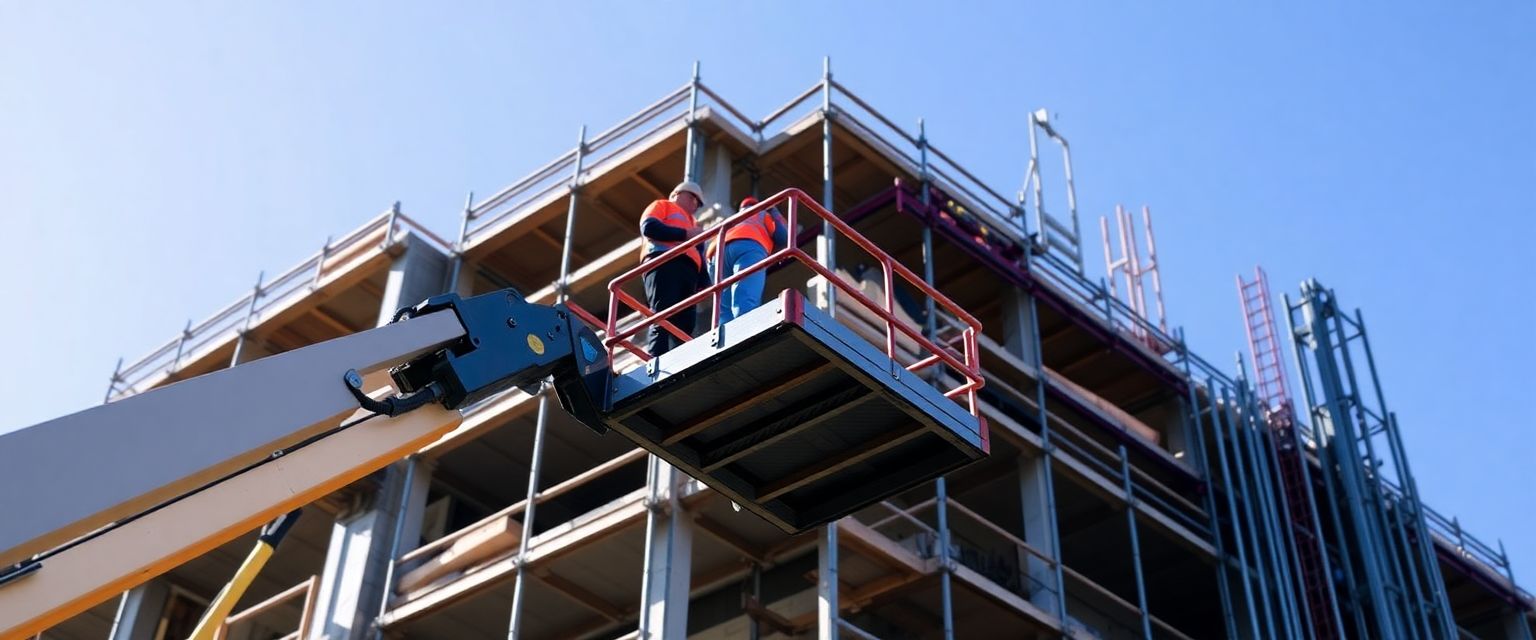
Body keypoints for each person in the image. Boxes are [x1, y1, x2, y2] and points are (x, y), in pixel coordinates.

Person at [639, 181, 707, 356]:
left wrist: (704, 281)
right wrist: (685, 234)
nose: (695, 204)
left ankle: (682, 359)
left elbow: (699, 251)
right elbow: (649, 227)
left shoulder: (693, 223)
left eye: (698, 203)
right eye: (692, 197)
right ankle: (655, 359)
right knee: (662, 315)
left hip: (688, 271)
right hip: (663, 261)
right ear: (677, 194)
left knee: (686, 323)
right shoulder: (662, 205)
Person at [707, 196, 789, 324]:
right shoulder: (761, 214)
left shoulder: (732, 219)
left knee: (724, 308)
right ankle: (745, 327)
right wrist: (773, 210)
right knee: (745, 297)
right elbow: (784, 236)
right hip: (748, 247)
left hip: (716, 254)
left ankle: (724, 333)